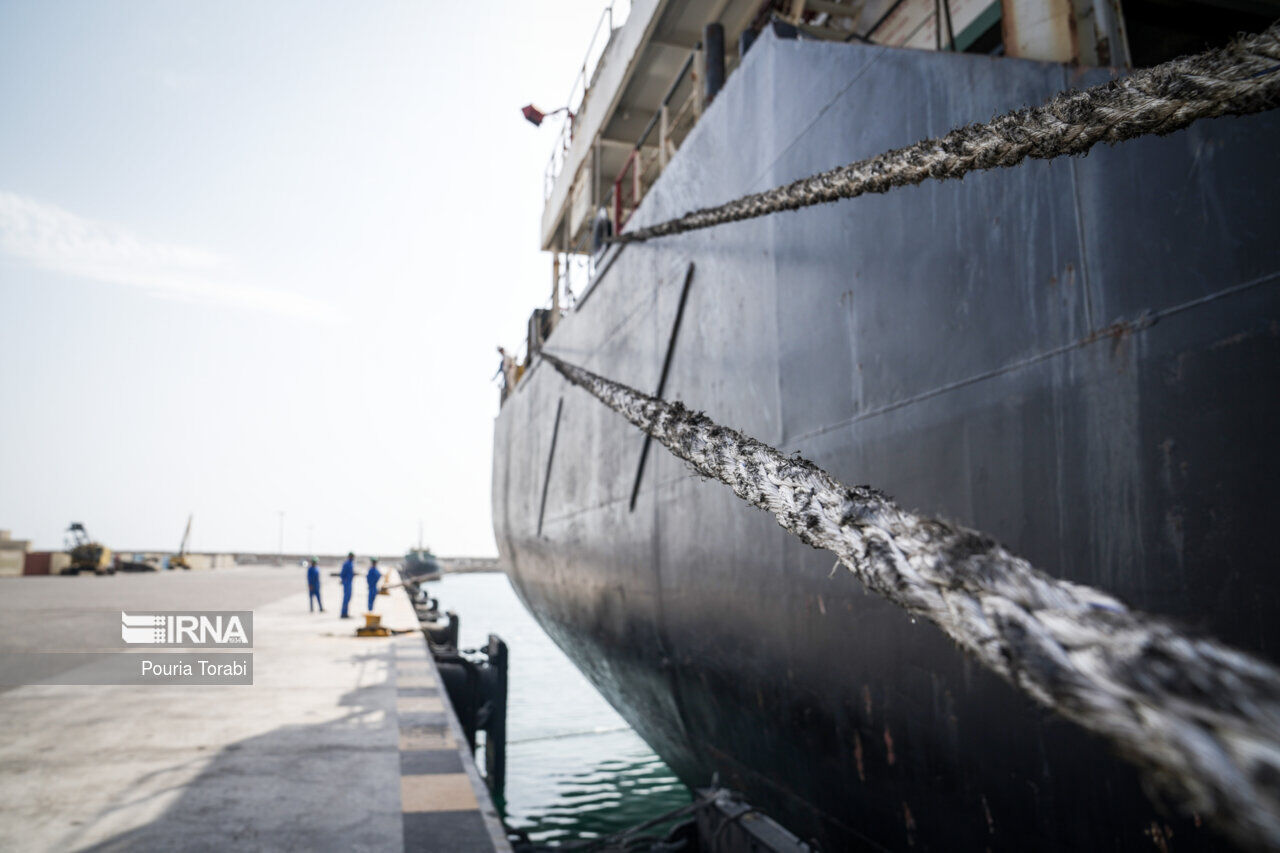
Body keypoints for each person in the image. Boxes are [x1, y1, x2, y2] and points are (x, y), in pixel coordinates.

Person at [339, 552, 355, 618]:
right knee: (346, 598)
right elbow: (342, 573)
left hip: (350, 582)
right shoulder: (346, 564)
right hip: (347, 583)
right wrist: (343, 580)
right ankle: (343, 613)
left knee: (348, 598)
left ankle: (346, 613)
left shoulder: (351, 564)